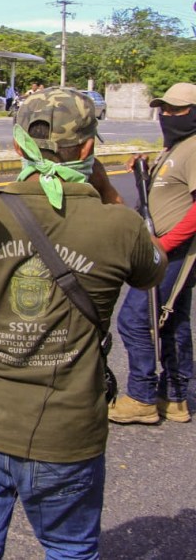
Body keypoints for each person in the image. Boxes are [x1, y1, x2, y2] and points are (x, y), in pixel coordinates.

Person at [0, 88, 165, 558]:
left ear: (17, 146)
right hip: (67, 433)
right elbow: (153, 269)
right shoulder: (120, 226)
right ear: (88, 148)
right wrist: (108, 192)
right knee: (70, 550)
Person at [111, 82, 196, 425]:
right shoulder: (178, 146)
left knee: (134, 320)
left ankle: (142, 397)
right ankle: (175, 397)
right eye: (165, 109)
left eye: (177, 110)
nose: (168, 115)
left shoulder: (194, 147)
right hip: (166, 248)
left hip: (174, 251)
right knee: (173, 321)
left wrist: (166, 243)